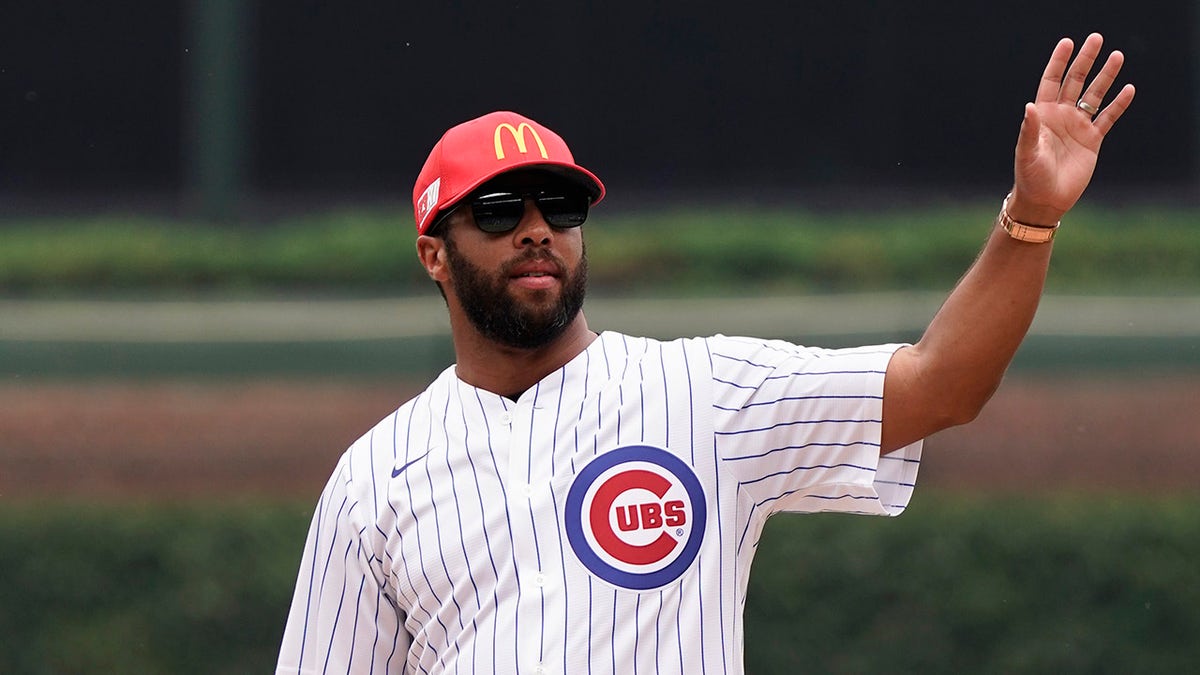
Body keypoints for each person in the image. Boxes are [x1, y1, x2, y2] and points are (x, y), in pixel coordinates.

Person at [276, 33, 1134, 674]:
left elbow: (940, 384)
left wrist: (1031, 219)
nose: (536, 228)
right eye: (499, 210)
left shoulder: (702, 393)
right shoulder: (374, 478)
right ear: (435, 253)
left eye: (560, 206)